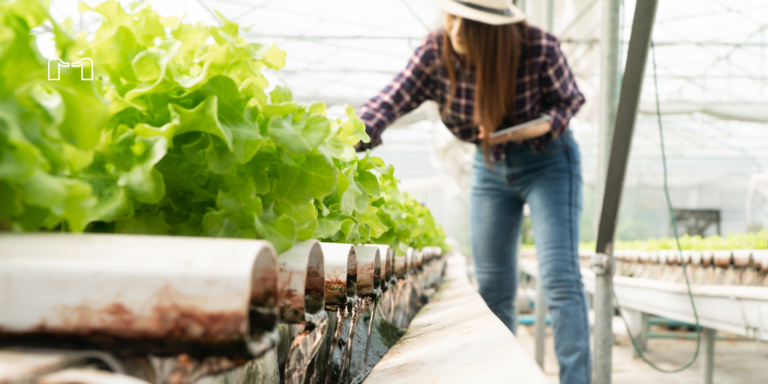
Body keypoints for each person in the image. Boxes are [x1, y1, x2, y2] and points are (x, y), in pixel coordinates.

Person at [356, 0, 590, 382]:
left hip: (548, 161)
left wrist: (541, 124)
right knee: (494, 286)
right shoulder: (436, 53)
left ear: (497, 29)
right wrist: (346, 139)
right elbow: (388, 102)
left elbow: (570, 100)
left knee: (560, 278)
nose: (457, 31)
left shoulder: (538, 47)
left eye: (470, 23)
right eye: (453, 18)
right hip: (489, 165)